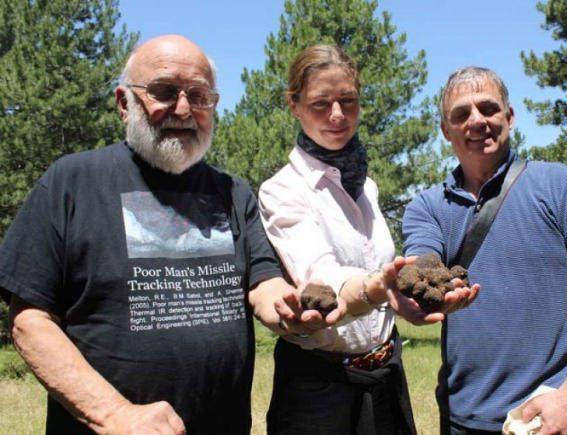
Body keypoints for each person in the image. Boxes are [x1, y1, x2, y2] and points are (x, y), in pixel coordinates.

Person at [0, 35, 341, 435]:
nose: (183, 109)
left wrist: (286, 306)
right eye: (164, 92)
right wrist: (113, 414)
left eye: (199, 96)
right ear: (124, 103)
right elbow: (29, 320)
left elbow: (263, 283)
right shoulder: (72, 181)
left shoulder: (232, 192)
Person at [258, 45, 479, 435]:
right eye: (320, 104)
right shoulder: (283, 191)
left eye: (348, 101)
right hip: (317, 392)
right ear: (294, 105)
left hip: (385, 377)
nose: (337, 115)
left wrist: (400, 303)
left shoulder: (367, 188)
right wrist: (378, 288)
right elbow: (321, 278)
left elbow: (381, 280)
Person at [402, 66, 567, 434]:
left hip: (549, 417)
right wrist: (408, 288)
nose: (477, 121)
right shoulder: (427, 207)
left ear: (509, 116)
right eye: (461, 114)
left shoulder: (560, 185)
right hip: (461, 420)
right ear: (446, 130)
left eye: (488, 108)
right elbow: (422, 263)